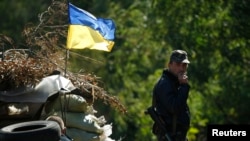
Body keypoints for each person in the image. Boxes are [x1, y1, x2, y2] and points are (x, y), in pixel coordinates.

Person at [152, 50, 191, 141]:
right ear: (170, 64)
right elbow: (174, 107)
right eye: (178, 64)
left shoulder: (175, 83)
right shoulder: (165, 84)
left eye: (184, 65)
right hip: (169, 137)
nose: (182, 68)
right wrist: (184, 87)